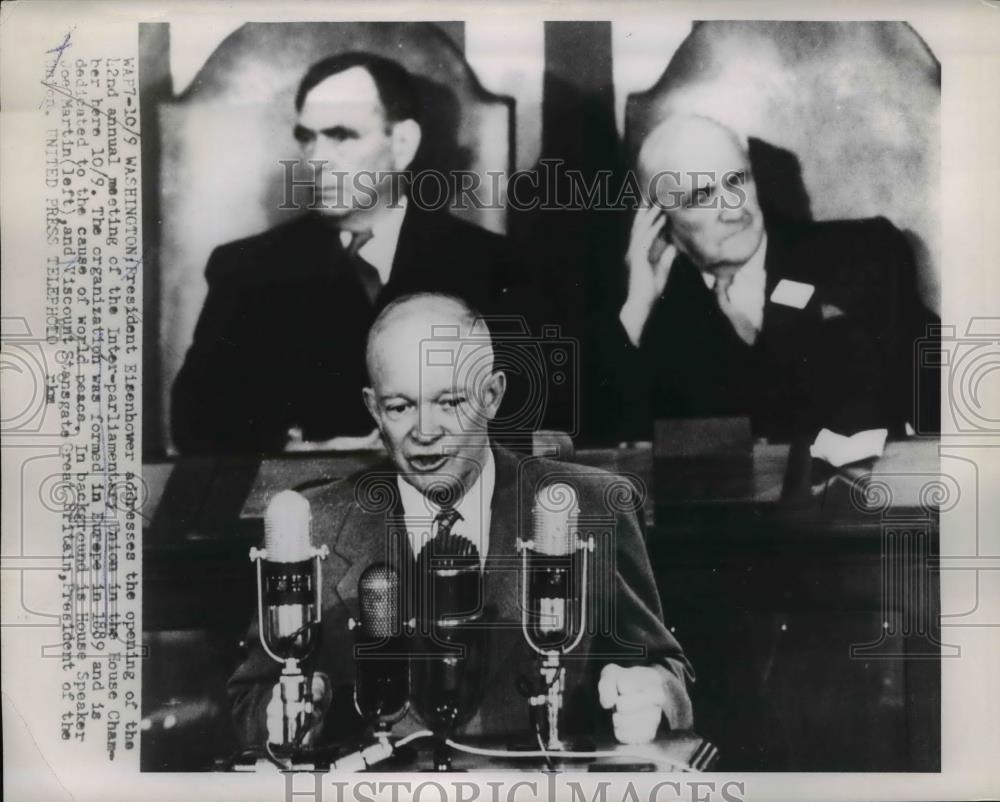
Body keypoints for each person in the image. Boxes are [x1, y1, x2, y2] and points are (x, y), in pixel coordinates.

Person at [228, 293, 693, 751]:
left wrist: (653, 693)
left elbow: (666, 669)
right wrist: (283, 716)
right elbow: (248, 701)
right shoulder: (317, 524)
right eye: (400, 407)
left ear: (492, 395)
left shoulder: (590, 507)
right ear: (373, 408)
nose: (425, 431)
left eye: (449, 402)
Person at [172, 53, 525, 455]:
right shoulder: (246, 270)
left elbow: (534, 415)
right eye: (308, 137)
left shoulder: (496, 266)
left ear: (403, 143)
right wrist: (298, 452)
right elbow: (195, 423)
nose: (317, 159)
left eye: (341, 135)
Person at [591, 114, 939, 443]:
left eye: (736, 180)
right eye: (701, 196)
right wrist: (637, 310)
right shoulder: (649, 314)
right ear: (659, 220)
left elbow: (945, 395)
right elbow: (604, 453)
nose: (733, 208)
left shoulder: (862, 253)